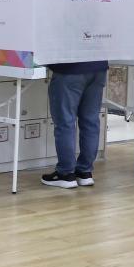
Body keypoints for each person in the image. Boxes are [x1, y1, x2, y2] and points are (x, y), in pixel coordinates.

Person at [42, 60, 108, 189]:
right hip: (98, 68)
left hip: (69, 69)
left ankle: (66, 174)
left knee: (65, 122)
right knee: (90, 121)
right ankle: (85, 172)